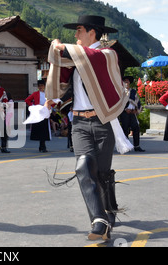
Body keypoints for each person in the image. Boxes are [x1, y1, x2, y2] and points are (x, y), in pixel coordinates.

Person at [45, 15, 132, 241]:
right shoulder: (76, 59)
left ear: (92, 32)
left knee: (101, 173)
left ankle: (109, 208)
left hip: (103, 122)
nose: (75, 35)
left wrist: (63, 48)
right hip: (79, 123)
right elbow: (63, 81)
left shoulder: (107, 55)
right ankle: (99, 220)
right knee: (84, 167)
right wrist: (54, 99)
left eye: (80, 30)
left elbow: (90, 59)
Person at [120, 76, 145, 152]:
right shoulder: (121, 92)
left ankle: (136, 146)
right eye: (124, 81)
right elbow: (119, 103)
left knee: (136, 128)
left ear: (129, 83)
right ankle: (126, 147)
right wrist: (125, 109)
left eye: (127, 81)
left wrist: (136, 110)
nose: (126, 83)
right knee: (125, 130)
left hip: (132, 112)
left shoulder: (133, 91)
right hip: (124, 113)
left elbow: (137, 101)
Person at [25, 80, 51, 152]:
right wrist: (33, 106)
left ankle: (42, 146)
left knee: (44, 130)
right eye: (39, 86)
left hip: (45, 112)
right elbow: (27, 100)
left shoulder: (48, 94)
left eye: (42, 86)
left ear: (44, 86)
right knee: (41, 130)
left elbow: (52, 102)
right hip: (39, 112)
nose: (40, 87)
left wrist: (50, 107)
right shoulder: (35, 94)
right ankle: (42, 146)